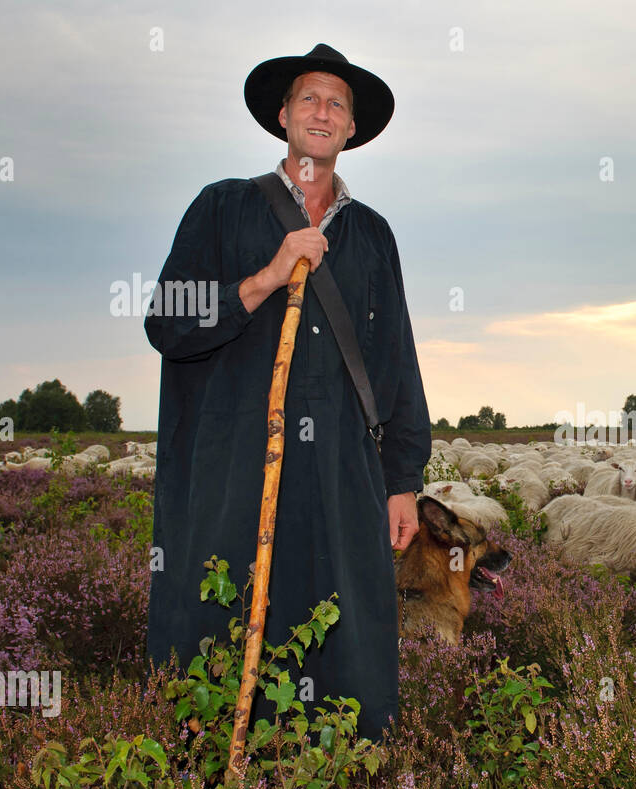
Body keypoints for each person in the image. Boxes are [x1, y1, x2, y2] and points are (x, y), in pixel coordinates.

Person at [144, 43, 432, 741]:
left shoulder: (372, 236)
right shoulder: (221, 208)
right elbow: (167, 321)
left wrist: (402, 479)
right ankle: (212, 773)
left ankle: (338, 780)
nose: (322, 111)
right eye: (308, 97)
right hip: (230, 461)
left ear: (352, 131)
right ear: (282, 116)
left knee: (343, 619)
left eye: (337, 103)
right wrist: (267, 277)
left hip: (340, 468)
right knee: (223, 609)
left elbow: (396, 359)